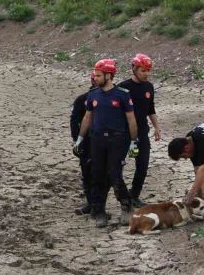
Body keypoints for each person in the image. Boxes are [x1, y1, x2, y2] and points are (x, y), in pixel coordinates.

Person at [74, 59, 138, 228]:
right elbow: (87, 117)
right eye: (94, 74)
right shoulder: (93, 94)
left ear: (109, 75)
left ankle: (126, 206)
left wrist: (134, 141)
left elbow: (131, 119)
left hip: (117, 140)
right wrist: (80, 139)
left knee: (115, 175)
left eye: (98, 75)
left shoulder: (122, 95)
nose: (95, 78)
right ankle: (99, 211)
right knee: (97, 175)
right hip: (97, 140)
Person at [117, 53, 161, 208]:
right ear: (134, 69)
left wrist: (157, 127)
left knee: (142, 165)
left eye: (148, 70)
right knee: (118, 166)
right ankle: (123, 197)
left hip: (142, 133)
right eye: (143, 70)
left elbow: (151, 108)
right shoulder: (123, 87)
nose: (146, 74)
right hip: (123, 134)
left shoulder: (148, 87)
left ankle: (134, 195)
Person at [70, 73, 96, 215]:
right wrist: (76, 141)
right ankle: (90, 204)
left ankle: (99, 206)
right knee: (87, 173)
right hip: (86, 141)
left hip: (104, 142)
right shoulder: (82, 100)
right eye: (95, 78)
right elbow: (74, 121)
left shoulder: (114, 97)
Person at [167, 123, 204, 202]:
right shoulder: (190, 140)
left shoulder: (201, 140)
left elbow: (202, 170)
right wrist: (201, 199)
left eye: (183, 156)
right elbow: (198, 172)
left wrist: (191, 194)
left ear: (186, 148)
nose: (186, 158)